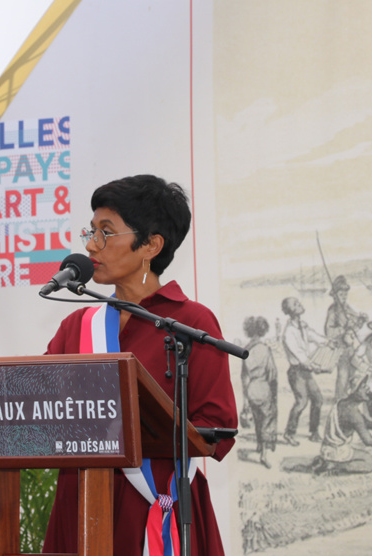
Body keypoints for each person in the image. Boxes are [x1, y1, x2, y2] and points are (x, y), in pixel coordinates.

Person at [41, 175, 237, 556]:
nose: (90, 244)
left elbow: (216, 426)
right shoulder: (77, 327)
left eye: (106, 232)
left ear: (150, 245)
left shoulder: (192, 323)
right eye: (91, 230)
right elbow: (41, 410)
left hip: (160, 502)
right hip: (83, 503)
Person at [311, 374, 372, 476]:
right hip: (337, 451)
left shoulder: (344, 403)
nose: (368, 390)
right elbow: (369, 440)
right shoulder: (353, 413)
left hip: (327, 448)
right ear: (355, 390)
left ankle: (326, 461)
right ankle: (333, 465)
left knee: (363, 455)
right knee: (370, 462)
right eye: (363, 387)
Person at [281, 296, 327, 446]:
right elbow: (300, 356)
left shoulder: (303, 325)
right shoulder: (289, 332)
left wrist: (328, 341)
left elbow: (315, 337)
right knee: (301, 402)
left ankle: (313, 432)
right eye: (296, 304)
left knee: (318, 399)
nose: (300, 305)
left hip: (305, 371)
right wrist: (314, 366)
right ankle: (289, 433)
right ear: (291, 311)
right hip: (296, 372)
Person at [241, 316, 278, 469]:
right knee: (267, 419)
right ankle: (263, 454)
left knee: (257, 419)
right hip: (263, 388)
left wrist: (245, 398)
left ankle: (258, 445)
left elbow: (244, 376)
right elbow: (272, 372)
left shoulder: (245, 349)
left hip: (251, 389)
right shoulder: (265, 349)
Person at [323, 275, 367, 398]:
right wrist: (343, 329)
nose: (344, 296)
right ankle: (339, 401)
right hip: (340, 349)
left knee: (355, 373)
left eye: (345, 294)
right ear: (335, 295)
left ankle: (351, 399)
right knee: (343, 375)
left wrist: (361, 321)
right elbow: (328, 332)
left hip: (350, 347)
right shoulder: (333, 311)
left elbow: (354, 328)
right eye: (341, 294)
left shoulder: (348, 308)